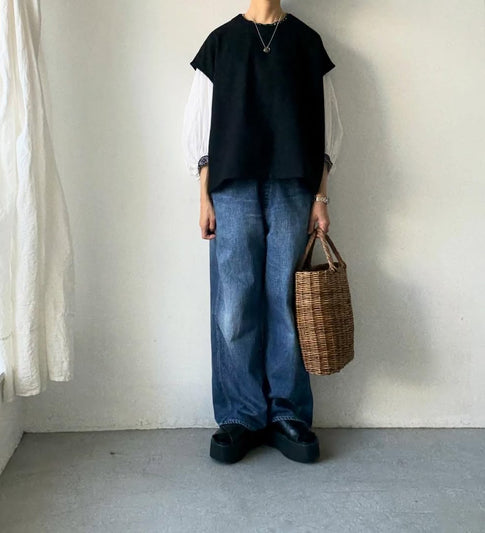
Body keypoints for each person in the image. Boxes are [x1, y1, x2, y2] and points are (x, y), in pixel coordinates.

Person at [182, 0, 343, 464]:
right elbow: (199, 125)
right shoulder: (220, 44)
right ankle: (240, 414)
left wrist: (321, 197)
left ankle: (287, 413)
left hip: (293, 187)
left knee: (287, 301)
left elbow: (329, 128)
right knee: (234, 305)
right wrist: (203, 196)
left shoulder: (307, 43)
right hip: (231, 189)